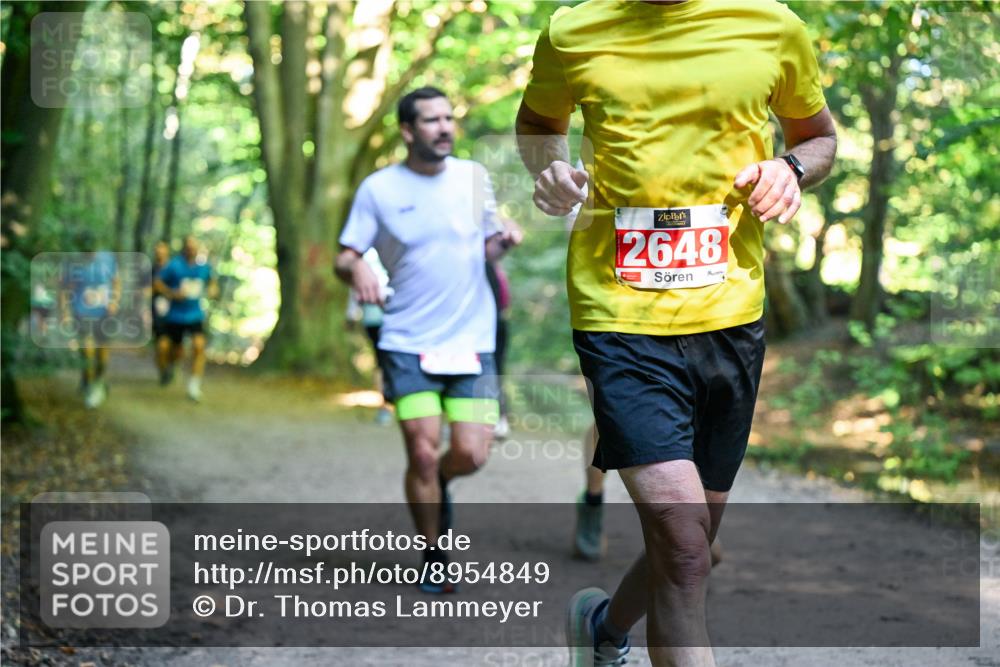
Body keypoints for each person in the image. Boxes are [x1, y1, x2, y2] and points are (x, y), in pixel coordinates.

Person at [516, 1, 837, 665]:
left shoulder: (772, 26)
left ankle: (605, 626)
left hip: (730, 318)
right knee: (686, 546)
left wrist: (791, 168)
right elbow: (537, 124)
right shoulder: (574, 29)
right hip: (618, 316)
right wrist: (548, 165)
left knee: (694, 543)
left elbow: (820, 137)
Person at [335, 86, 522, 594]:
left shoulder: (474, 178)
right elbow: (345, 254)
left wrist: (501, 241)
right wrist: (357, 273)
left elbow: (486, 248)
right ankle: (435, 554)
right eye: (431, 120)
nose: (444, 128)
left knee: (471, 454)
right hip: (406, 340)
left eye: (448, 118)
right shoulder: (379, 189)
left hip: (472, 341)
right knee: (420, 450)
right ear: (407, 130)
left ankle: (436, 484)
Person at [154, 236, 217, 402]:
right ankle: (169, 367)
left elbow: (212, 282)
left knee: (199, 346)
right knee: (175, 351)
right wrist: (172, 294)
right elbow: (157, 283)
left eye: (194, 246)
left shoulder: (204, 267)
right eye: (188, 246)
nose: (191, 249)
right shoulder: (174, 265)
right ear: (184, 248)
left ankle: (194, 385)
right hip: (175, 316)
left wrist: (212, 290)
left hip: (195, 315)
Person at [59, 248, 121, 409]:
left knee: (102, 353)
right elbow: (66, 289)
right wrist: (65, 312)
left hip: (104, 313)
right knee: (87, 350)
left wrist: (114, 301)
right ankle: (90, 385)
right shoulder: (75, 261)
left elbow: (116, 281)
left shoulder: (108, 258)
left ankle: (99, 380)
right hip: (81, 312)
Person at [345, 248, 393, 425]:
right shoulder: (390, 250)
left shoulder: (362, 255)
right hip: (390, 317)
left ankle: (386, 408)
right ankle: (389, 406)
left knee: (381, 363)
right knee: (389, 361)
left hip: (374, 318)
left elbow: (354, 291)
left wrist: (351, 316)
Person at [485, 257, 513, 439]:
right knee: (495, 373)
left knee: (493, 373)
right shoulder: (497, 270)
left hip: (491, 328)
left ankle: (499, 419)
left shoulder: (492, 270)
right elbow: (505, 301)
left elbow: (504, 300)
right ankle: (499, 420)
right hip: (496, 325)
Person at [150, 240, 173, 384]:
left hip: (176, 312)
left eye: (162, 249)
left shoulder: (175, 268)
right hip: (158, 313)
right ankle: (164, 370)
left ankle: (170, 365)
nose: (159, 252)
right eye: (157, 249)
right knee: (161, 345)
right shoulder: (151, 270)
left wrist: (164, 289)